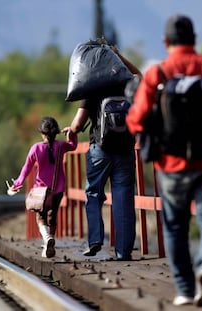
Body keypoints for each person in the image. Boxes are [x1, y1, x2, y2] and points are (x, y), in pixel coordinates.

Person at [126, 15, 202, 307]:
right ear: (194, 38)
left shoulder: (157, 73)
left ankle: (185, 290)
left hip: (170, 166)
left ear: (165, 42)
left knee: (174, 227)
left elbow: (136, 120)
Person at [69, 46, 141, 261]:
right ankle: (123, 251)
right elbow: (142, 77)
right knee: (123, 198)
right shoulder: (127, 84)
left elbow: (77, 124)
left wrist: (71, 131)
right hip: (125, 151)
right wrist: (120, 56)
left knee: (93, 194)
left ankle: (95, 241)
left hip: (99, 151)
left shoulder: (92, 88)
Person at [9, 116, 78, 258]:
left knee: (40, 217)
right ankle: (50, 242)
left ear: (42, 133)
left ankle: (47, 239)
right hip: (58, 188)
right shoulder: (60, 146)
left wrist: (18, 183)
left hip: (41, 190)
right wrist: (71, 133)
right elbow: (73, 145)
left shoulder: (36, 148)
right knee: (53, 215)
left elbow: (26, 168)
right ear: (55, 132)